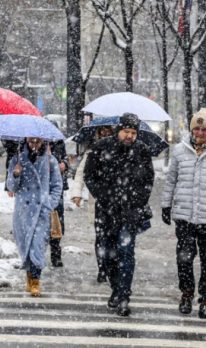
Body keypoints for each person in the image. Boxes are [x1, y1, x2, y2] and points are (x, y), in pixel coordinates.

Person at [161, 108, 206, 320]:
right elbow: (171, 181)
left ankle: (205, 301)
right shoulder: (179, 150)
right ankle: (186, 294)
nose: (200, 132)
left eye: (204, 129)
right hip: (185, 216)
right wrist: (166, 205)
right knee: (184, 259)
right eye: (197, 128)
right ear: (192, 129)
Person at [84, 113, 155, 317]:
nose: (130, 136)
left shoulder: (141, 151)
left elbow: (148, 180)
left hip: (130, 212)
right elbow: (90, 175)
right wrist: (104, 195)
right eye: (127, 132)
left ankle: (124, 296)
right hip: (106, 212)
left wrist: (137, 202)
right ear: (119, 130)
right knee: (106, 253)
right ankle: (115, 288)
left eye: (134, 133)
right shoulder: (101, 148)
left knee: (126, 252)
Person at [6, 137, 62, 297]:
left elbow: (57, 185)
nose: (34, 145)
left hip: (41, 211)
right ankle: (29, 278)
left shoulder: (50, 161)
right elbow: (11, 187)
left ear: (44, 142)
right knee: (25, 245)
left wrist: (50, 203)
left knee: (37, 245)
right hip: (23, 210)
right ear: (26, 142)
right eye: (31, 142)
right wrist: (16, 174)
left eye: (38, 142)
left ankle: (36, 281)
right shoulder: (17, 160)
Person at [71, 125, 115, 282]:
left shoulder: (121, 152)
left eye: (108, 134)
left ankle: (112, 267)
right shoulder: (92, 153)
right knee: (101, 237)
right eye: (102, 134)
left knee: (114, 238)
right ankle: (103, 268)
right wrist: (77, 193)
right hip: (97, 201)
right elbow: (81, 173)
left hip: (117, 203)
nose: (104, 137)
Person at [49, 138, 70, 267]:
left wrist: (64, 164)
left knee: (56, 220)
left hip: (56, 187)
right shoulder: (33, 144)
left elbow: (65, 158)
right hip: (39, 188)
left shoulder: (59, 144)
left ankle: (56, 253)